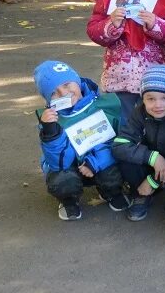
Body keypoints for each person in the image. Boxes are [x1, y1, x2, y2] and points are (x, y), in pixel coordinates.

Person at [33, 60, 129, 221]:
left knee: (114, 165)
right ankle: (69, 201)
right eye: (54, 93)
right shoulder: (50, 120)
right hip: (69, 166)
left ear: (77, 81)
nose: (63, 93)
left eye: (66, 84)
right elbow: (58, 163)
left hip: (99, 162)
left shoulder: (104, 105)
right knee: (62, 178)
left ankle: (111, 191)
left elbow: (118, 144)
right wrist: (51, 132)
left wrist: (95, 162)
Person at [112, 64, 165, 221]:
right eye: (150, 99)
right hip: (151, 161)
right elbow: (119, 145)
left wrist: (153, 181)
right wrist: (153, 157)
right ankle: (140, 195)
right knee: (127, 161)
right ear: (143, 99)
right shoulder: (139, 113)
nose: (158, 105)